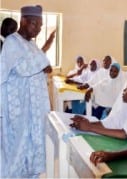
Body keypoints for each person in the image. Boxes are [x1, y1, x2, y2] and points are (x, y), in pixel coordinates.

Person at [1, 5, 52, 177]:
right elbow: (25, 68)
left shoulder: (31, 45)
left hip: (34, 110)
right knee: (16, 153)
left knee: (32, 150)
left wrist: (44, 67)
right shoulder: (12, 43)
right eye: (34, 24)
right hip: (19, 111)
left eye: (40, 25)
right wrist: (43, 63)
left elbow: (40, 68)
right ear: (23, 21)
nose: (38, 29)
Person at [70, 79, 127, 144]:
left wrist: (90, 127)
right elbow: (112, 122)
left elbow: (124, 134)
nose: (124, 90)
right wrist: (87, 123)